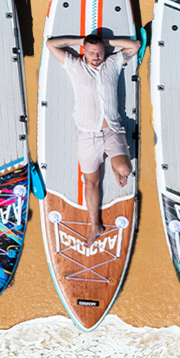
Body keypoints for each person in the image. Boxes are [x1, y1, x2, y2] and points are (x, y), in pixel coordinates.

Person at [44, 30, 140, 236]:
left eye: (99, 52)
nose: (96, 57)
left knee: (125, 170)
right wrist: (81, 40)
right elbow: (51, 44)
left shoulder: (112, 63)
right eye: (91, 52)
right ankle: (95, 225)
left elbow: (136, 45)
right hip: (87, 136)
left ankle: (115, 167)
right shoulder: (75, 66)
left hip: (112, 131)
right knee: (91, 182)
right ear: (84, 51)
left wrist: (105, 42)